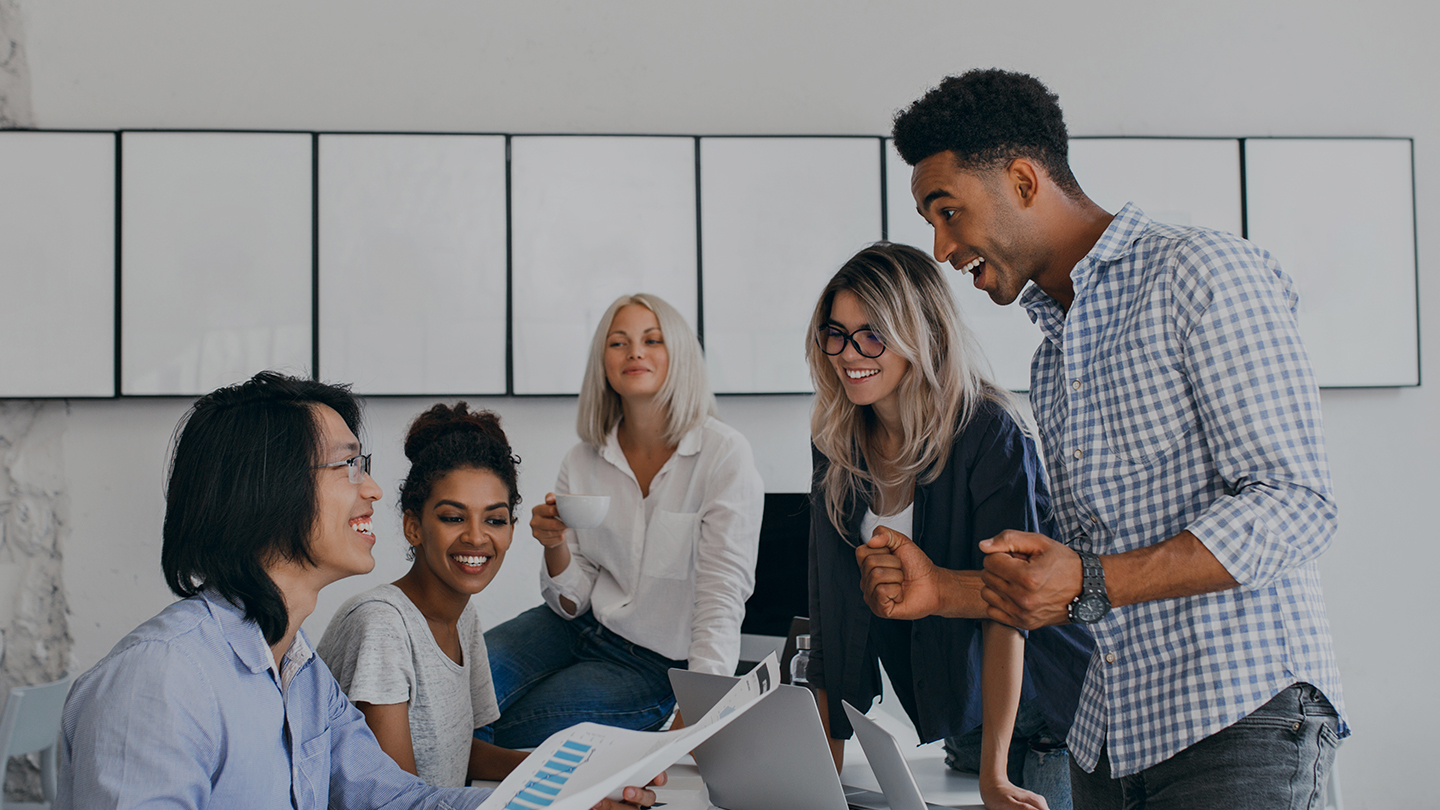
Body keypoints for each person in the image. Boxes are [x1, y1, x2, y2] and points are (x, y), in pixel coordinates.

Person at [859, 69, 1345, 809]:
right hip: (1111, 742)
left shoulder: (1202, 273)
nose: (941, 245)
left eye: (948, 211)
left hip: (1239, 725)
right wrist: (945, 591)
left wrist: (1090, 580)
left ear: (1023, 180)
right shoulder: (1053, 358)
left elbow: (1298, 503)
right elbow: (1078, 580)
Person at [57, 371, 662, 810]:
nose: (372, 489)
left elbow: (396, 800)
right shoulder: (160, 683)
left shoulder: (298, 669)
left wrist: (563, 800)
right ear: (269, 489)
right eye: (349, 466)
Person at [807, 243, 1092, 810]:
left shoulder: (989, 430)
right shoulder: (836, 444)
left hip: (1041, 725)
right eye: (835, 333)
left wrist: (995, 777)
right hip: (961, 723)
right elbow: (833, 615)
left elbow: (1011, 609)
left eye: (872, 334)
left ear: (921, 334)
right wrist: (818, 780)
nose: (848, 353)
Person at [481, 293, 764, 747]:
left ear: (679, 354)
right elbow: (569, 601)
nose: (635, 352)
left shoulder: (724, 455)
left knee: (507, 730)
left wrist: (699, 710)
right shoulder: (583, 459)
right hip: (572, 626)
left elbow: (722, 594)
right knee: (463, 686)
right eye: (619, 342)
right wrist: (555, 543)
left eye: (652, 340)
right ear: (604, 362)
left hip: (650, 664)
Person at [318, 403, 528, 787]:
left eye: (495, 519)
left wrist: (575, 772)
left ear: (511, 531)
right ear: (413, 527)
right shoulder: (382, 625)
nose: (477, 537)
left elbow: (459, 753)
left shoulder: (464, 616)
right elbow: (398, 797)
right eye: (453, 517)